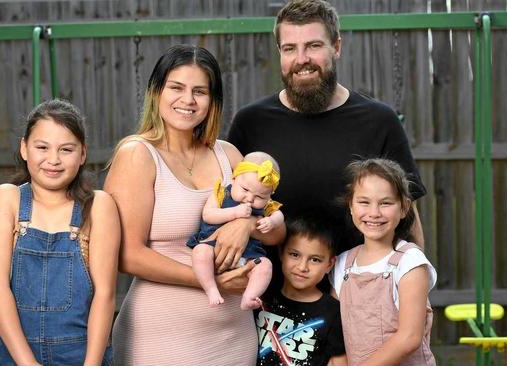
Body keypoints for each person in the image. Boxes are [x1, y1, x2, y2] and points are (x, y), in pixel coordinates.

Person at [104, 44, 286, 365]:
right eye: (176, 88)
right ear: (156, 91)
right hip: (161, 338)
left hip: (233, 338)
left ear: (213, 102)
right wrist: (213, 281)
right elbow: (126, 254)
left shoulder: (229, 156)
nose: (187, 100)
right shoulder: (137, 155)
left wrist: (246, 223)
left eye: (199, 91)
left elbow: (273, 233)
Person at [227, 0, 427, 291]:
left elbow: (409, 218)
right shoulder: (251, 122)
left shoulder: (378, 120)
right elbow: (229, 202)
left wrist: (418, 296)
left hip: (361, 299)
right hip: (269, 305)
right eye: (289, 48)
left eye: (314, 46)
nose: (301, 59)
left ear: (336, 47)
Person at [0, 99, 119, 366]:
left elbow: (105, 295)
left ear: (82, 154)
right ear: (24, 148)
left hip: (82, 354)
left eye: (66, 149)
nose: (53, 160)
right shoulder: (6, 200)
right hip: (17, 355)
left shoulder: (98, 206)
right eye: (42, 147)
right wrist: (27, 363)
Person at [330, 158, 437, 365]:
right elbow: (335, 331)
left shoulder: (410, 262)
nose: (374, 213)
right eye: (364, 202)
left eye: (385, 203)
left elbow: (409, 338)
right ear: (351, 205)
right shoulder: (343, 264)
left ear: (404, 208)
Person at [188, 151, 282, 309]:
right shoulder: (222, 193)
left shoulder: (267, 204)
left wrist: (271, 221)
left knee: (265, 265)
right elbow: (208, 214)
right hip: (212, 246)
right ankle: (211, 289)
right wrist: (234, 213)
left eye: (260, 197)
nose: (250, 199)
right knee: (200, 252)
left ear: (268, 196)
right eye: (245, 190)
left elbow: (279, 215)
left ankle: (249, 296)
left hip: (248, 255)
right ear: (234, 178)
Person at [255, 215, 346, 366]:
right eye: (295, 255)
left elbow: (339, 361)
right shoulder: (260, 297)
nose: (303, 267)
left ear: (330, 264)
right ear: (281, 253)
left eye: (315, 259)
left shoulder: (334, 312)